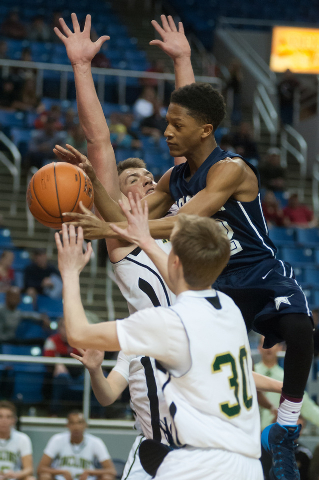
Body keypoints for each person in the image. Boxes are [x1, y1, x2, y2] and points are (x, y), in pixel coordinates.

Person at [64, 18, 314, 480]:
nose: (166, 134)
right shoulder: (155, 215)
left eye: (176, 126)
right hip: (178, 346)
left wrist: (182, 60)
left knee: (300, 327)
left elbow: (186, 210)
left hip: (246, 278)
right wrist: (99, 196)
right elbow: (122, 202)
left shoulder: (225, 172)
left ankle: (285, 428)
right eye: (129, 183)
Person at [56, 203, 264, 480]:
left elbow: (78, 334)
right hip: (248, 465)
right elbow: (186, 284)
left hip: (200, 465)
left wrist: (69, 272)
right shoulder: (229, 309)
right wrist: (144, 239)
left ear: (174, 261)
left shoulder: (168, 322)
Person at [37, 410, 116, 480]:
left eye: (79, 423)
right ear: (67, 425)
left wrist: (90, 472)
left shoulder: (95, 442)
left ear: (86, 425)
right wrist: (62, 472)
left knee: (107, 477)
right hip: (61, 478)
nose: (76, 427)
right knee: (45, 476)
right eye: (72, 423)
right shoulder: (57, 439)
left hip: (87, 478)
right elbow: (40, 469)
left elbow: (111, 471)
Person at [43, 318, 82, 416]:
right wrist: (57, 363)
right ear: (59, 328)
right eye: (64, 327)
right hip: (59, 374)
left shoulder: (80, 341)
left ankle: (94, 414)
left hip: (79, 373)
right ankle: (54, 412)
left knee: (93, 378)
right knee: (62, 378)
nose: (67, 329)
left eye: (70, 327)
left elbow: (88, 357)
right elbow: (48, 358)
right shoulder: (52, 340)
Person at [0, 401, 34, 480]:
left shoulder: (22, 438)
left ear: (14, 420)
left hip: (14, 477)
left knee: (30, 479)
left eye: (8, 417)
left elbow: (29, 469)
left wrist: (16, 475)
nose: (4, 421)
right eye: (0, 416)